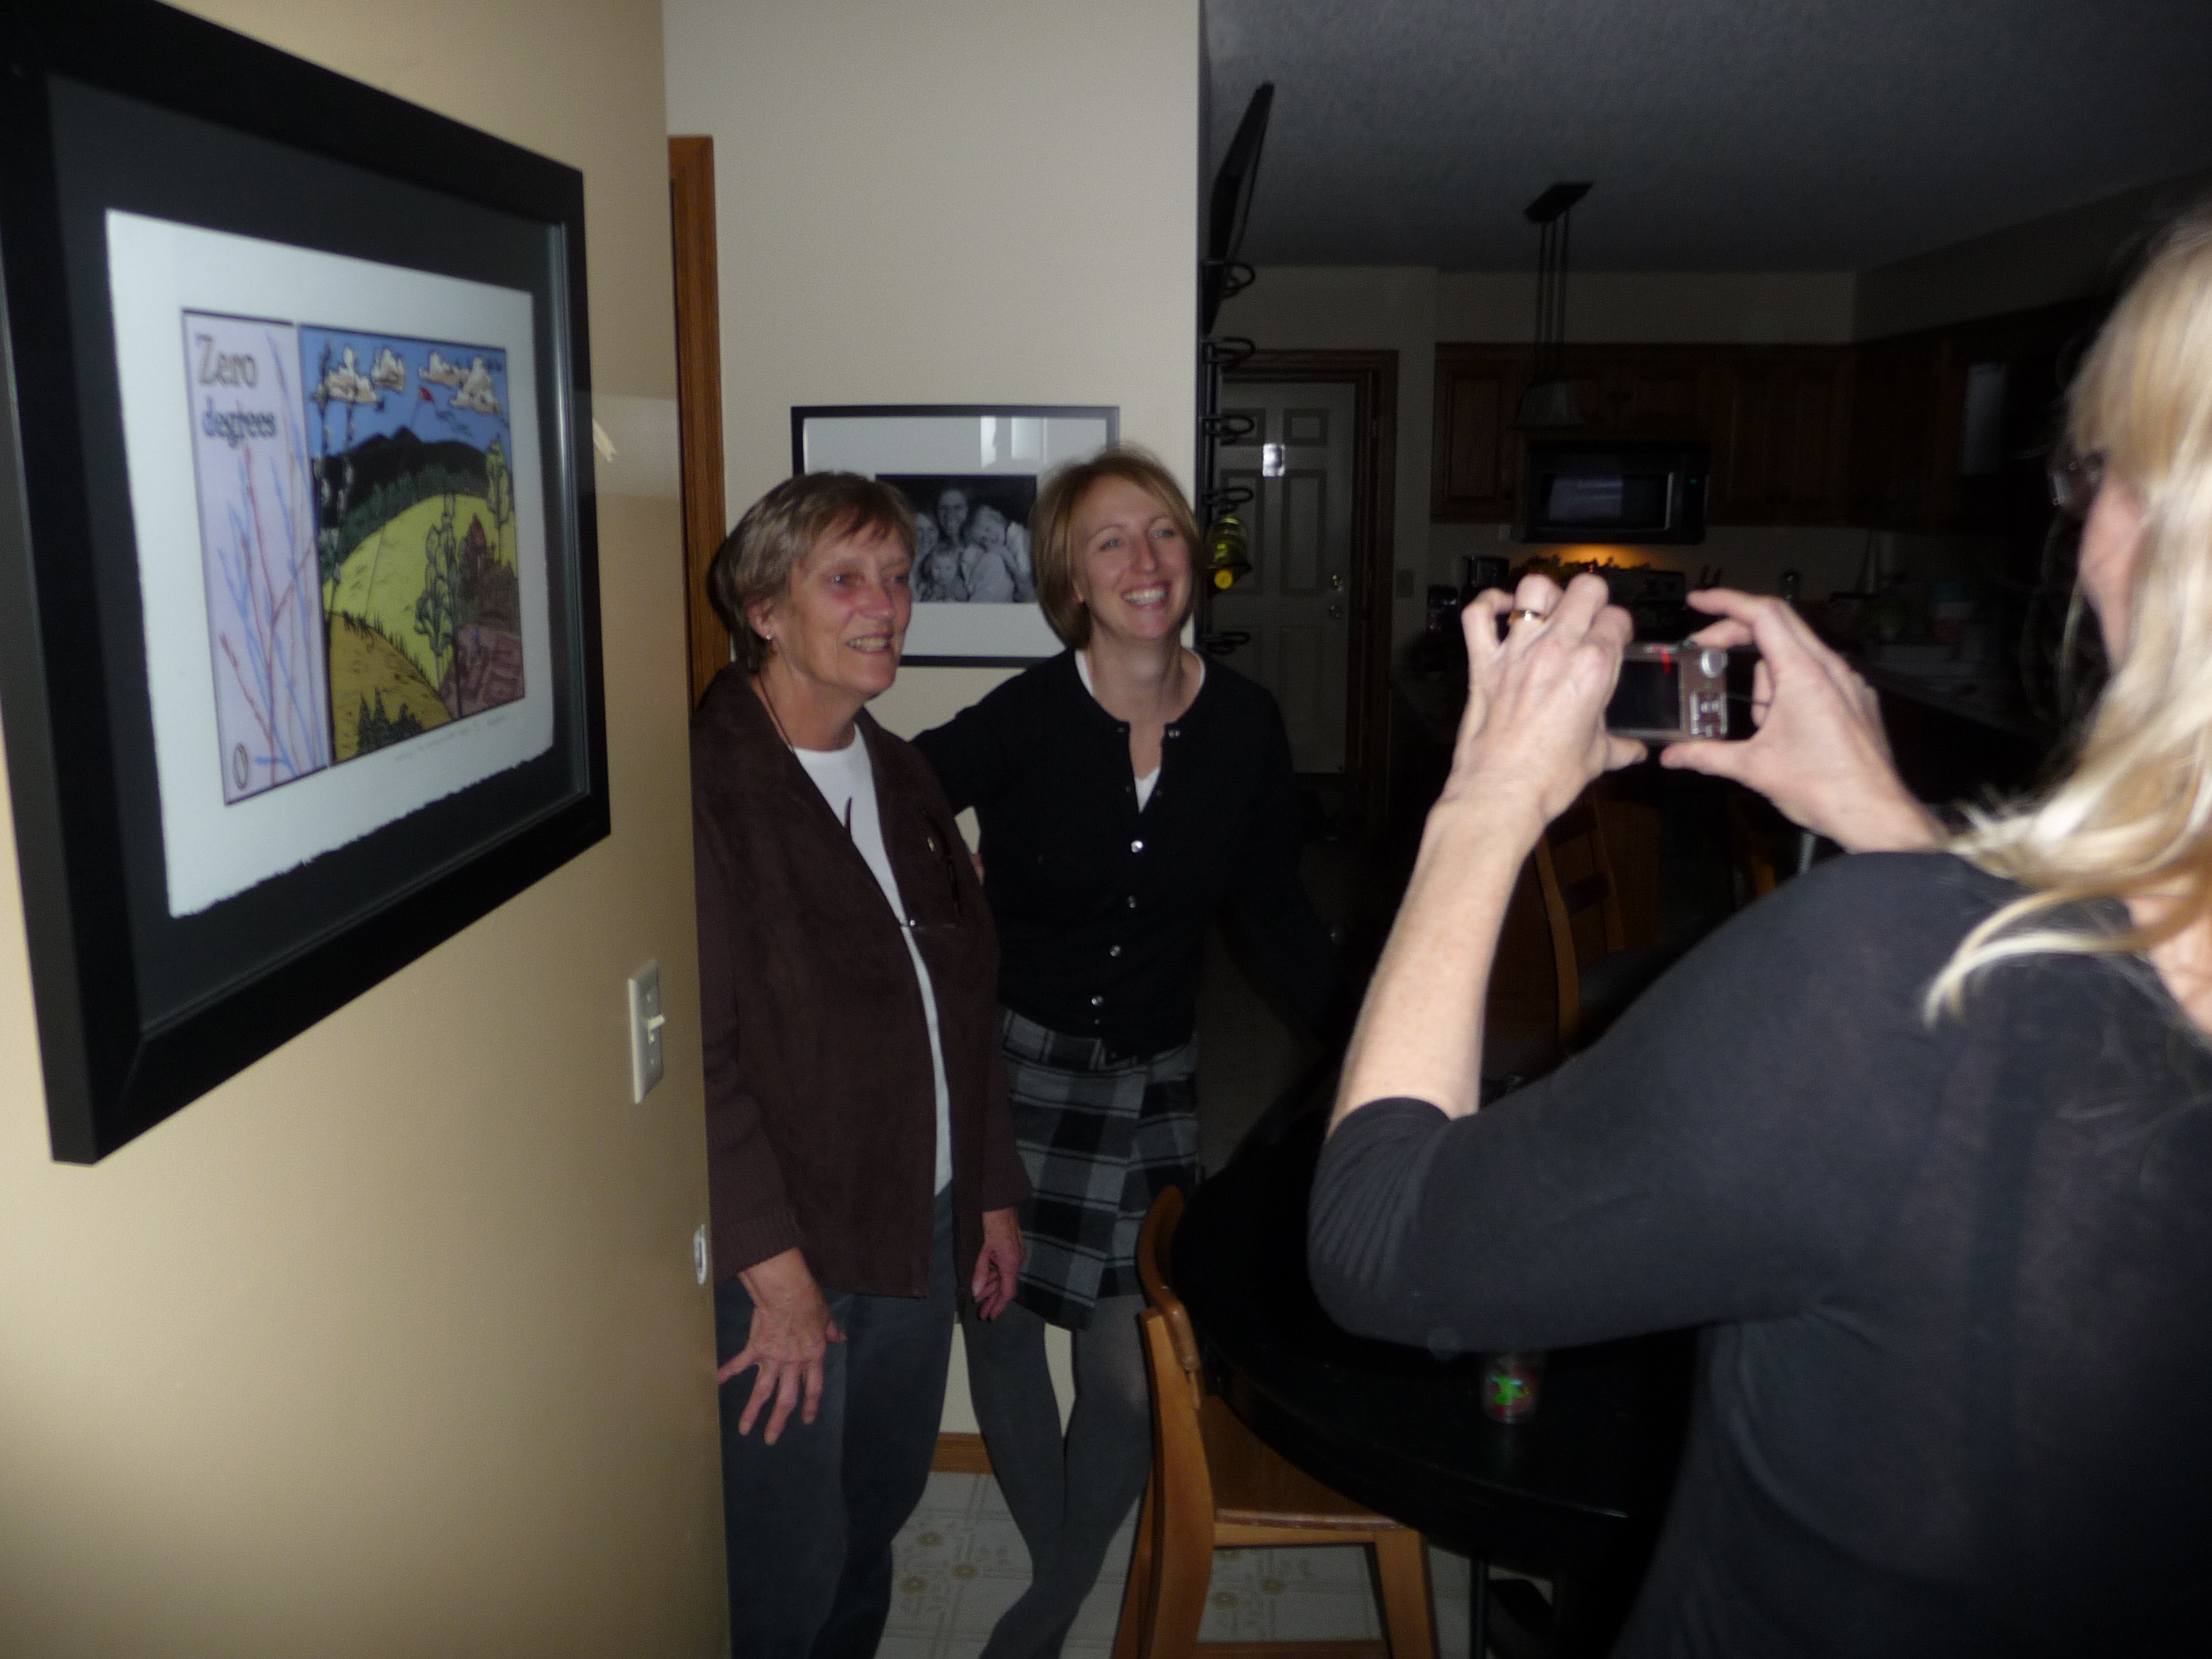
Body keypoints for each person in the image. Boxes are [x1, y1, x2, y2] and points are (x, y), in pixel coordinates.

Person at [1310, 212, 2212, 1656]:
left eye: (2093, 466)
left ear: (2155, 529)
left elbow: (1377, 1241)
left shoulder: (1872, 976)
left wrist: (1483, 800)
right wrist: (1890, 822)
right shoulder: (1980, 980)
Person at [913, 446, 1337, 1659]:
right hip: (1008, 1067)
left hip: (1149, 1076)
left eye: (1162, 533)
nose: (1145, 561)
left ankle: (1045, 1600)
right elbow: (895, 791)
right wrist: (947, 883)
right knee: (997, 1323)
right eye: (1111, 541)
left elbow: (1277, 913)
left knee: (1126, 1372)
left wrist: (1372, 1047)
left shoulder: (1245, 725)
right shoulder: (1029, 714)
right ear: (1071, 579)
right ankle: (1059, 1586)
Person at [691, 471, 1031, 1658]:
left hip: (918, 1221)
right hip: (788, 1252)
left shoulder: (898, 770)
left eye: (896, 577)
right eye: (845, 579)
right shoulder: (707, 789)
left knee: (873, 1515)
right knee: (780, 1561)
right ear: (764, 609)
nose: (886, 605)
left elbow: (961, 999)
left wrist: (988, 1188)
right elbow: (696, 1059)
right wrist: (777, 1279)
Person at [960, 503, 1022, 602]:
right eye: (983, 539)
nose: (989, 538)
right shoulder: (1003, 541)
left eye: (988, 529)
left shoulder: (1017, 536)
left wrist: (1004, 554)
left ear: (998, 520)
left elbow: (1023, 576)